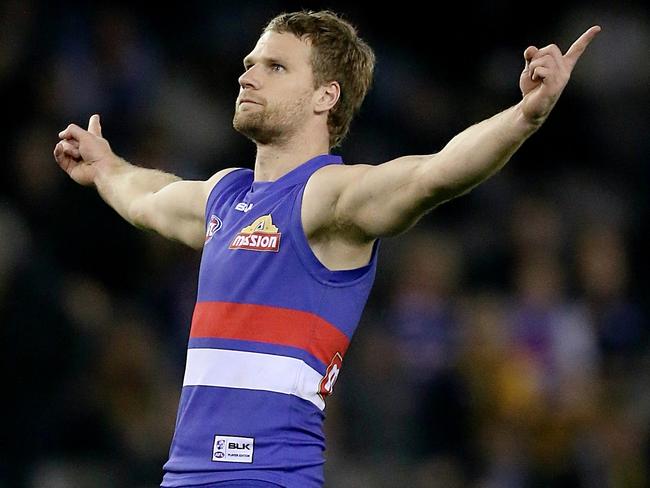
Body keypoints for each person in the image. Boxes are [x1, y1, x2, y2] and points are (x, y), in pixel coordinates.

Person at [53, 10, 600, 488]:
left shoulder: (326, 200)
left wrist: (525, 116)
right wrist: (106, 168)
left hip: (266, 477)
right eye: (250, 62)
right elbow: (149, 198)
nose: (248, 74)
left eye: (275, 66)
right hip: (184, 476)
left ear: (326, 95)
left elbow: (432, 175)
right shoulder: (227, 197)